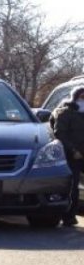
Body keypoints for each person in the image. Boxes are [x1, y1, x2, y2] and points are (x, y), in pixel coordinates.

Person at [50, 86, 84, 227]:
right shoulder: (64, 112)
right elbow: (60, 133)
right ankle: (69, 216)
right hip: (72, 156)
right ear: (75, 98)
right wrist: (72, 150)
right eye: (82, 97)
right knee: (72, 186)